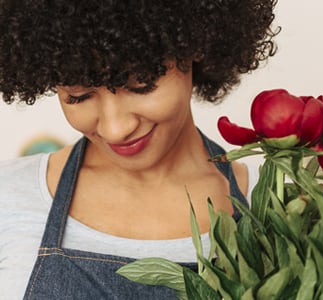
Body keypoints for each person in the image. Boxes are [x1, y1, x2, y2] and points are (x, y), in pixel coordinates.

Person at [0, 1, 279, 298]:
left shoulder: (280, 208)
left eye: (141, 85)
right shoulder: (8, 196)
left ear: (195, 46)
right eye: (79, 97)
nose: (114, 128)